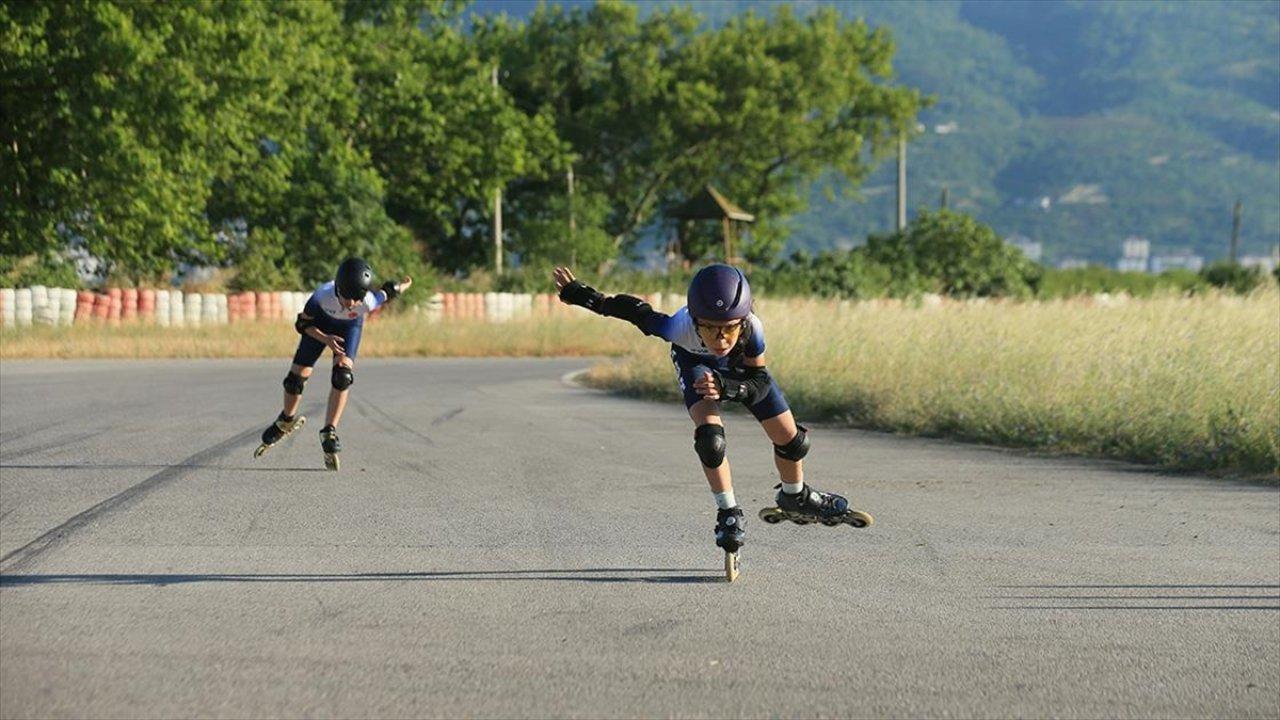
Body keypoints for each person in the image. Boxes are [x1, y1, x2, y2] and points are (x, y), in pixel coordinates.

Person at [552, 263, 864, 555]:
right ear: (696, 321)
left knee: (794, 441)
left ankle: (794, 496)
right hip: (695, 364)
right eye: (710, 328)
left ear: (742, 322)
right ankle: (728, 511)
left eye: (729, 328)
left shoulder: (752, 329)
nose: (720, 338)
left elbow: (758, 380)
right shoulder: (679, 328)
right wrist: (582, 295)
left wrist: (731, 388)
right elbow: (632, 311)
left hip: (740, 373)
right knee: (710, 441)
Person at [254, 257, 412, 470]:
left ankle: (329, 430)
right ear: (338, 287)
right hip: (318, 327)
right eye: (347, 297)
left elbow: (388, 291)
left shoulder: (367, 302)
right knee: (294, 381)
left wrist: (403, 285)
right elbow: (302, 324)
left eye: (357, 299)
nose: (351, 304)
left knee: (343, 377)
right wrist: (326, 339)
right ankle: (286, 420)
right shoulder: (322, 295)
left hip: (349, 330)